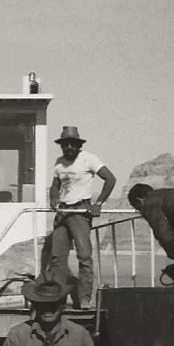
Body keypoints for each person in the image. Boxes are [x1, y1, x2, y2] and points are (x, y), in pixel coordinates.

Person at [46, 126, 117, 309]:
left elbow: (110, 179)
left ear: (78, 145)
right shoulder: (59, 162)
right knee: (57, 258)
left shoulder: (88, 158)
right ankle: (58, 299)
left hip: (80, 212)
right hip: (63, 211)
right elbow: (55, 185)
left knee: (84, 257)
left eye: (72, 144)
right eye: (65, 144)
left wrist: (98, 203)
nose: (68, 147)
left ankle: (85, 299)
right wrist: (53, 199)